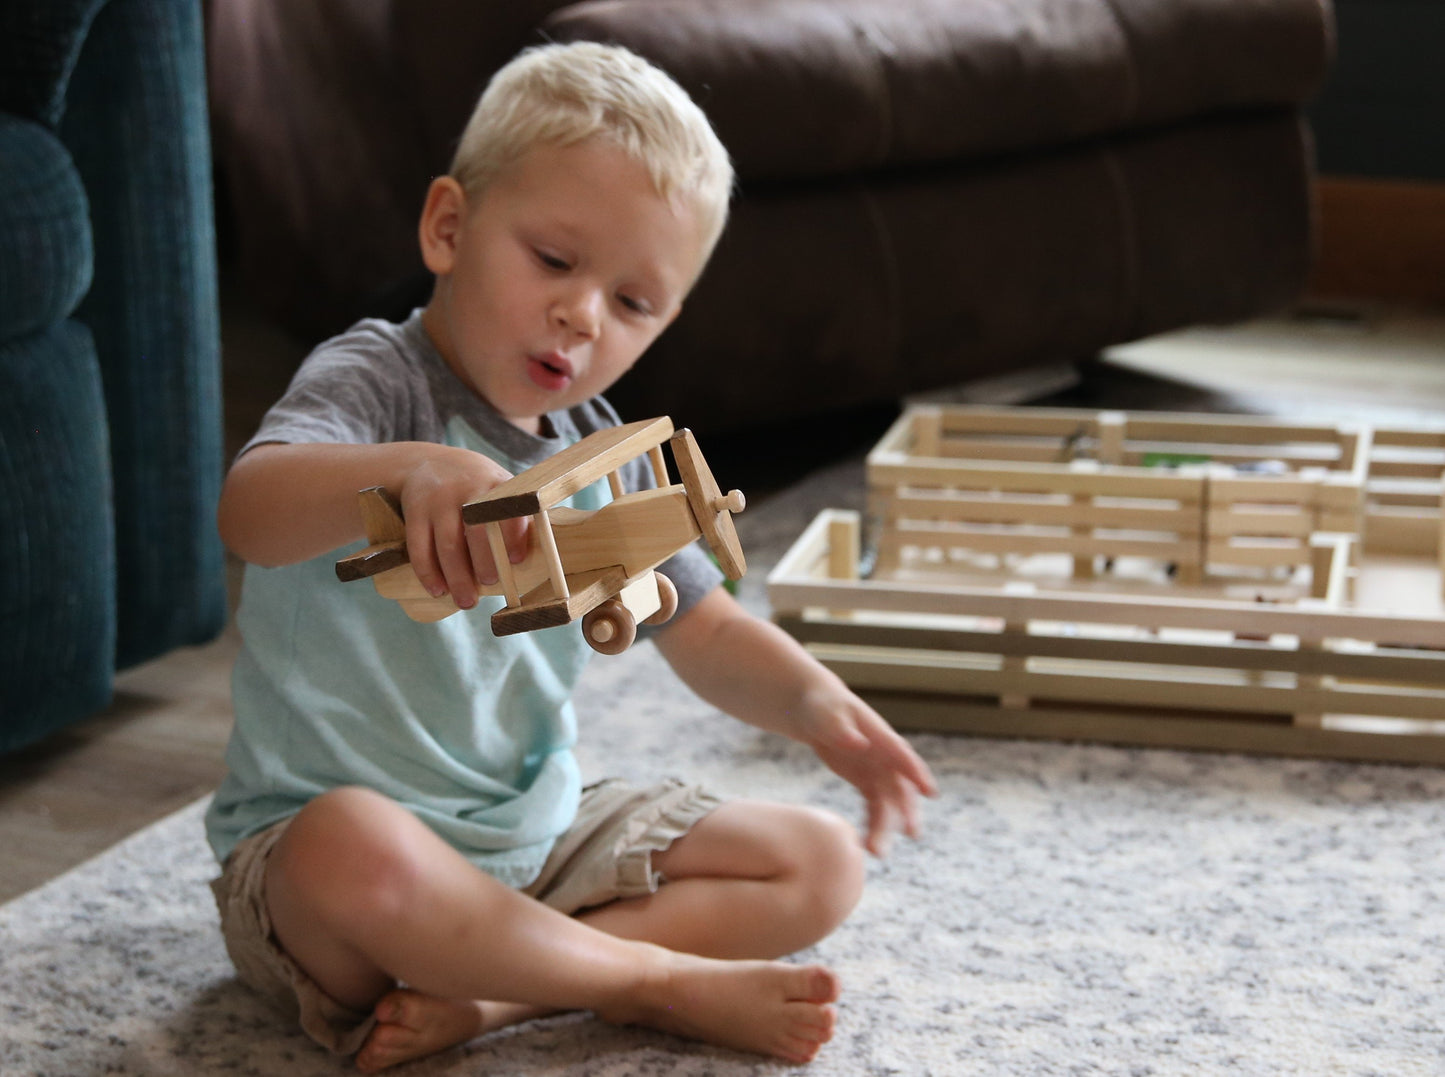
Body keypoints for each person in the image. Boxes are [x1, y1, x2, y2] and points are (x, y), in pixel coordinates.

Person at [205, 41, 937, 1073]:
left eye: (632, 303)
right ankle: (645, 981)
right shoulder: (375, 380)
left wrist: (817, 707)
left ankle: (497, 996)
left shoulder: (604, 448)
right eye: (553, 261)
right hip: (320, 872)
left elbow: (704, 625)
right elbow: (249, 511)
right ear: (448, 227)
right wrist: (410, 473)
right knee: (350, 846)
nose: (582, 315)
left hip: (530, 842)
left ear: (665, 321)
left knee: (818, 866)